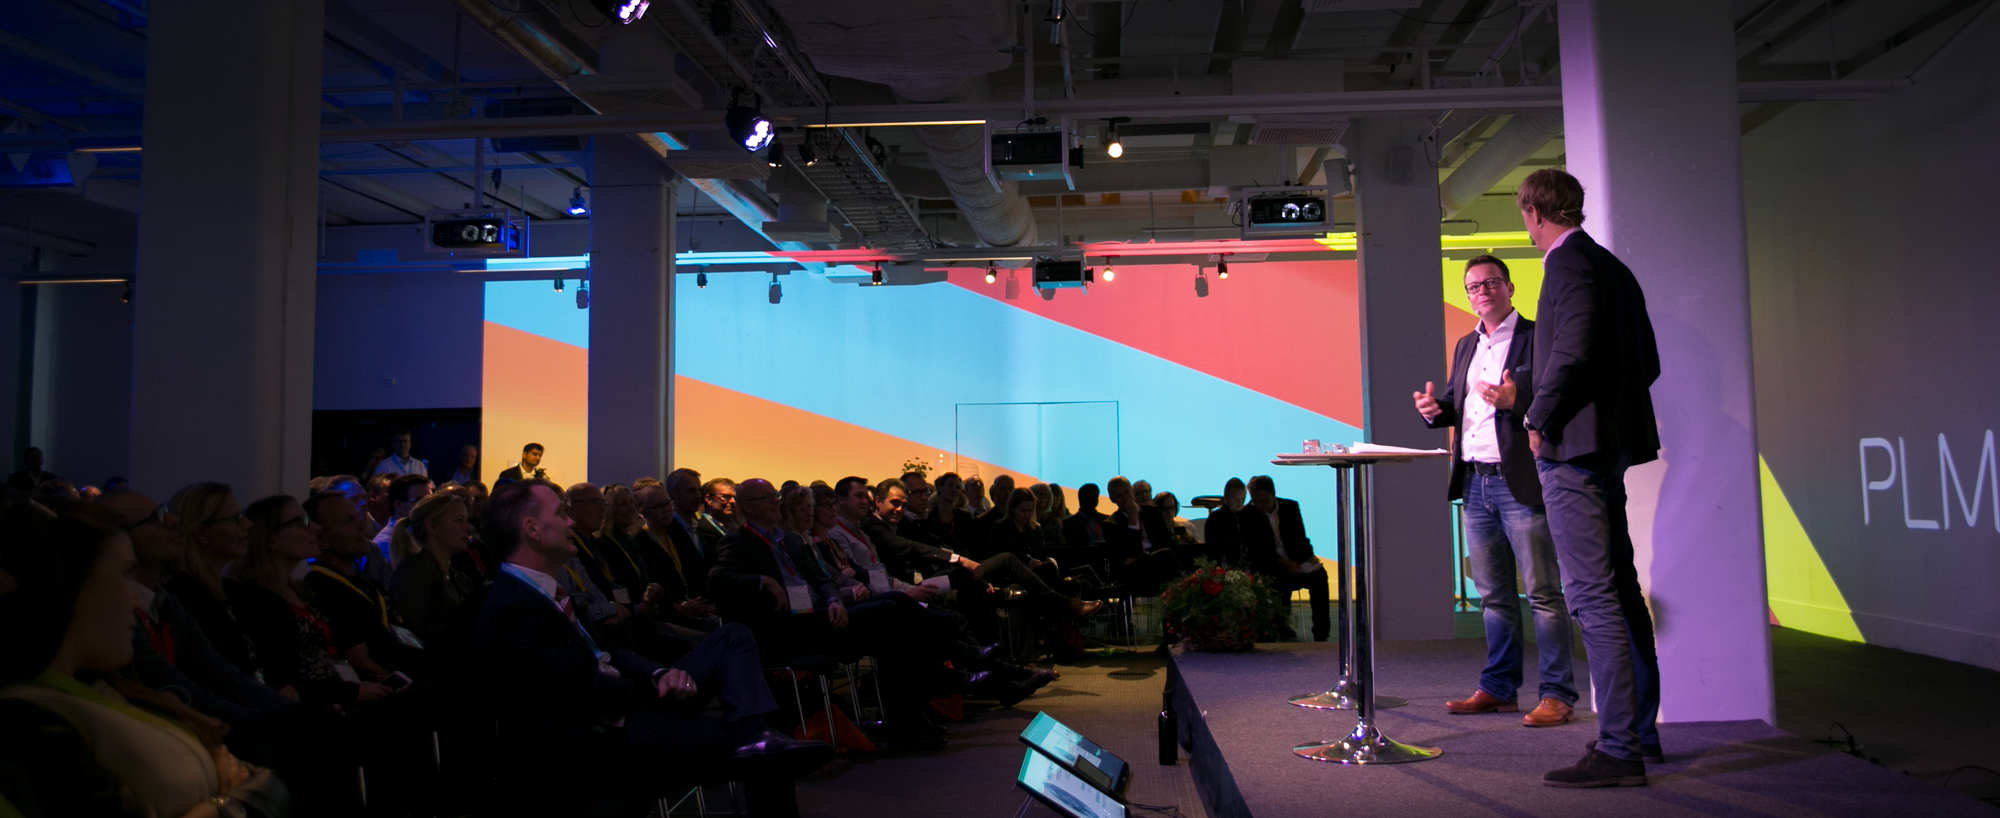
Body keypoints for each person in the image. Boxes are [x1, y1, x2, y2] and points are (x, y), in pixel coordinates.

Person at [471, 479, 830, 816]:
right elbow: (585, 690)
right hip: (602, 735)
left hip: (626, 705)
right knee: (770, 756)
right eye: (560, 513)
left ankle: (756, 732)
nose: (569, 521)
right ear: (532, 529)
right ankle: (759, 738)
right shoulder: (515, 607)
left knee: (733, 635)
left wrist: (658, 672)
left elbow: (608, 648)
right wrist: (656, 688)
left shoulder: (542, 590)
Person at [0, 501, 289, 818]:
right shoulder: (28, 714)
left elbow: (266, 781)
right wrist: (229, 803)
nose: (137, 602)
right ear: (70, 583)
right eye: (125, 574)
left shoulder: (106, 688)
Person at [1515, 168, 1663, 788]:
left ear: (1532, 212)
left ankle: (1620, 747)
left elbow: (1572, 352)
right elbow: (1647, 362)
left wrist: (1539, 416)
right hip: (1608, 448)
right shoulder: (1612, 267)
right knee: (1619, 591)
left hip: (1572, 451)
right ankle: (1639, 734)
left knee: (1592, 595)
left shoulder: (1566, 264)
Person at [1416, 254, 1578, 730]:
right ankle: (1500, 688)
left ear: (1509, 287)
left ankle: (1557, 693)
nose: (1482, 291)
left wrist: (1518, 399)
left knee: (1543, 593)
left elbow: (1556, 396)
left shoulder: (1537, 337)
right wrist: (1435, 409)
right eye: (1473, 286)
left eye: (1490, 282)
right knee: (1493, 596)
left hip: (1519, 480)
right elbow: (1460, 404)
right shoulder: (1466, 343)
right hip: (1474, 481)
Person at [708, 479, 960, 750]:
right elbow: (717, 579)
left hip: (822, 616)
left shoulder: (788, 540)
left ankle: (909, 725)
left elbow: (822, 578)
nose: (774, 502)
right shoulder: (737, 541)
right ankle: (942, 673)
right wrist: (762, 581)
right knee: (888, 609)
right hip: (792, 627)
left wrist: (834, 599)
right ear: (747, 507)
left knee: (891, 630)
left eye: (774, 496)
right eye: (766, 498)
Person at [103, 490, 301, 722]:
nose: (173, 520)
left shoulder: (168, 601)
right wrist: (274, 721)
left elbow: (219, 672)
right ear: (120, 539)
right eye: (156, 518)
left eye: (164, 512)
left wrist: (298, 713)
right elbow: (177, 683)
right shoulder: (130, 603)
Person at [229, 495, 396, 704]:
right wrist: (348, 693)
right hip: (315, 706)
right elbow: (280, 678)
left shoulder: (299, 590)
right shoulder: (257, 598)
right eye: (301, 522)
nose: (316, 528)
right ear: (272, 539)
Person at [303, 488, 425, 678]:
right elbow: (361, 664)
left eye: (358, 517)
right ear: (321, 540)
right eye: (348, 521)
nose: (362, 525)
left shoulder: (363, 582)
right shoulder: (324, 589)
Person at [164, 483, 263, 681]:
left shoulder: (231, 591)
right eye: (235, 519)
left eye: (243, 515)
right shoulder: (185, 595)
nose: (248, 524)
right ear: (201, 533)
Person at [1237, 475, 1330, 642]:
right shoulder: (1245, 515)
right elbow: (1258, 552)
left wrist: (1311, 559)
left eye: (1263, 501)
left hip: (1295, 560)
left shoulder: (1290, 507)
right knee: (1276, 580)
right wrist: (1287, 565)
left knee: (1320, 577)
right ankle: (1279, 626)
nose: (1259, 505)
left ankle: (1321, 633)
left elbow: (1301, 538)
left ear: (1273, 494)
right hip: (1269, 564)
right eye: (1255, 501)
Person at [389, 493, 482, 645]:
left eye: (466, 521)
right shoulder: (415, 571)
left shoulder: (458, 576)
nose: (468, 529)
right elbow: (411, 632)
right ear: (432, 527)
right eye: (459, 521)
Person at [1103, 477, 1185, 596]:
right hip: (1135, 572)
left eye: (1126, 492)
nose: (1125, 497)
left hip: (1158, 563)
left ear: (1132, 491)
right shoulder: (1111, 524)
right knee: (1166, 555)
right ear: (1112, 499)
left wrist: (1145, 555)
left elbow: (1166, 543)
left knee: (1169, 557)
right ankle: (1187, 589)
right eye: (1119, 495)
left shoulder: (1152, 511)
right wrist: (1132, 519)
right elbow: (1132, 553)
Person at [1203, 478, 1248, 567]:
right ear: (1226, 497)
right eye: (1235, 499)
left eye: (1243, 499)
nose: (1240, 504)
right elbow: (1213, 551)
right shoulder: (1215, 519)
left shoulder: (1247, 517)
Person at [695, 478, 739, 556]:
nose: (733, 501)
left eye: (734, 498)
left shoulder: (735, 527)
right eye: (726, 496)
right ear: (708, 499)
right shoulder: (699, 529)